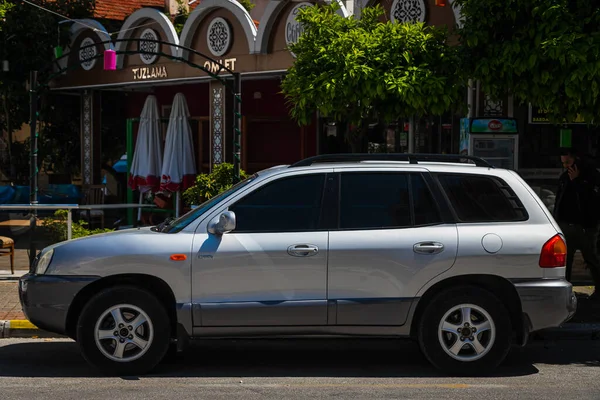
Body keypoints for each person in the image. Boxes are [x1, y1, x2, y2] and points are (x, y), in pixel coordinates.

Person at [553, 147, 600, 300]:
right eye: (564, 163)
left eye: (568, 162)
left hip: (584, 226)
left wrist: (578, 182)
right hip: (567, 225)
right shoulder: (565, 178)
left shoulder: (589, 176)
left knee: (591, 258)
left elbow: (591, 201)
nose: (566, 166)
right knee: (567, 260)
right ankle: (565, 292)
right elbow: (560, 201)